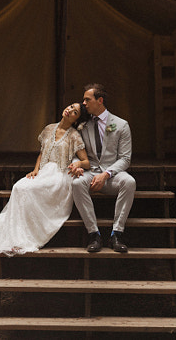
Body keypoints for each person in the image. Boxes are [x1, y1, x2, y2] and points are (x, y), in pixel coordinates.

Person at [0, 103, 90, 256]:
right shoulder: (49, 129)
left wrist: (77, 163)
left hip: (60, 176)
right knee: (19, 186)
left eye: (75, 112)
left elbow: (86, 162)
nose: (69, 111)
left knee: (29, 190)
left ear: (76, 119)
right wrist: (36, 170)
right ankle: (16, 234)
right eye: (70, 107)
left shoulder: (74, 135)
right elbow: (42, 153)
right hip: (44, 171)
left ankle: (29, 235)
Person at [67, 83, 135, 253]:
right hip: (90, 174)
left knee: (130, 182)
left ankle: (117, 234)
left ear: (100, 100)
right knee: (76, 183)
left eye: (87, 99)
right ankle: (93, 234)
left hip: (112, 175)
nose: (83, 103)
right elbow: (78, 151)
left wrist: (106, 174)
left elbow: (125, 159)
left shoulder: (121, 125)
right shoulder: (83, 125)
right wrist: (78, 164)